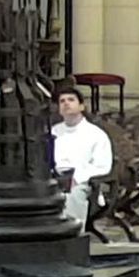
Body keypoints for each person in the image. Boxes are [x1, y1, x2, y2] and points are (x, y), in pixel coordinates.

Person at [51, 87, 114, 228]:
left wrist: (77, 177)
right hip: (55, 179)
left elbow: (103, 165)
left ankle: (72, 234)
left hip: (82, 182)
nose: (66, 103)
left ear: (81, 106)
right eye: (62, 101)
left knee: (73, 195)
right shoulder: (53, 131)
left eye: (71, 100)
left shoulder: (96, 134)